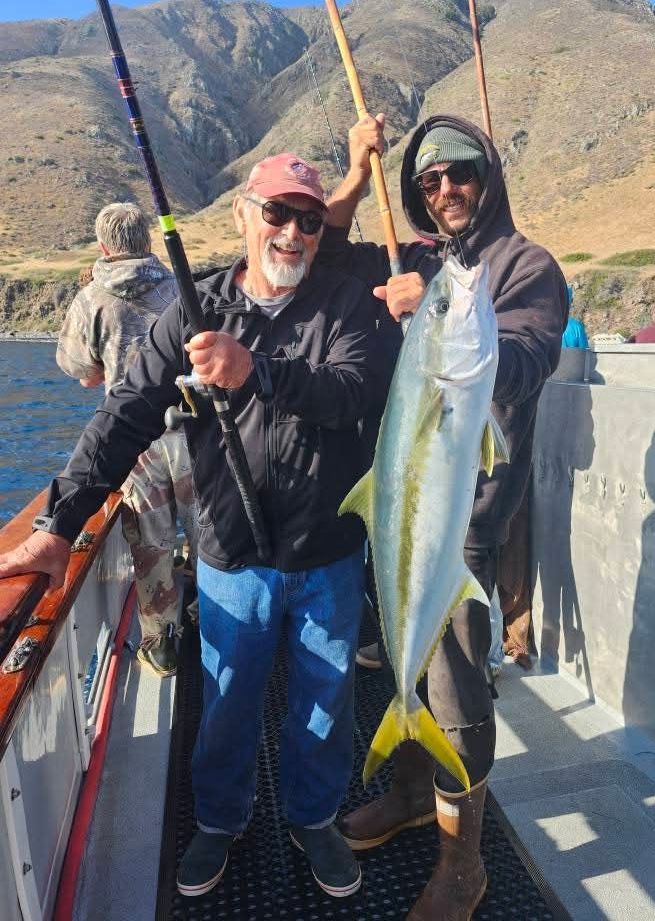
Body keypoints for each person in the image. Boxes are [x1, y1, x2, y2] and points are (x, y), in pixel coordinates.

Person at [0, 155, 389, 900]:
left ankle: (314, 819)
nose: (294, 232)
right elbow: (124, 417)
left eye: (310, 219)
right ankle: (219, 818)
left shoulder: (347, 305)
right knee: (229, 695)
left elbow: (354, 391)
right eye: (277, 213)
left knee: (326, 697)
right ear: (244, 214)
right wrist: (58, 520)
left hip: (328, 551)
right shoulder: (194, 308)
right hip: (229, 553)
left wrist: (257, 373)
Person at [319, 114, 568, 920]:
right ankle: (412, 790)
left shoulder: (523, 267)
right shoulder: (420, 258)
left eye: (459, 172)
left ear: (488, 174)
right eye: (427, 181)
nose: (444, 190)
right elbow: (319, 252)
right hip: (397, 514)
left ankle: (464, 865)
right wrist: (356, 176)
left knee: (458, 691)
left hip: (467, 520)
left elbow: (527, 359)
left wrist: (441, 310)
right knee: (412, 667)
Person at [57, 202, 197, 678]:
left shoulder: (91, 299)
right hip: (193, 432)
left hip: (134, 441)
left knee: (151, 544)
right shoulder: (183, 286)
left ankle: (161, 644)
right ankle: (216, 615)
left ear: (103, 246)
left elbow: (82, 372)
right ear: (148, 240)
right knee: (211, 531)